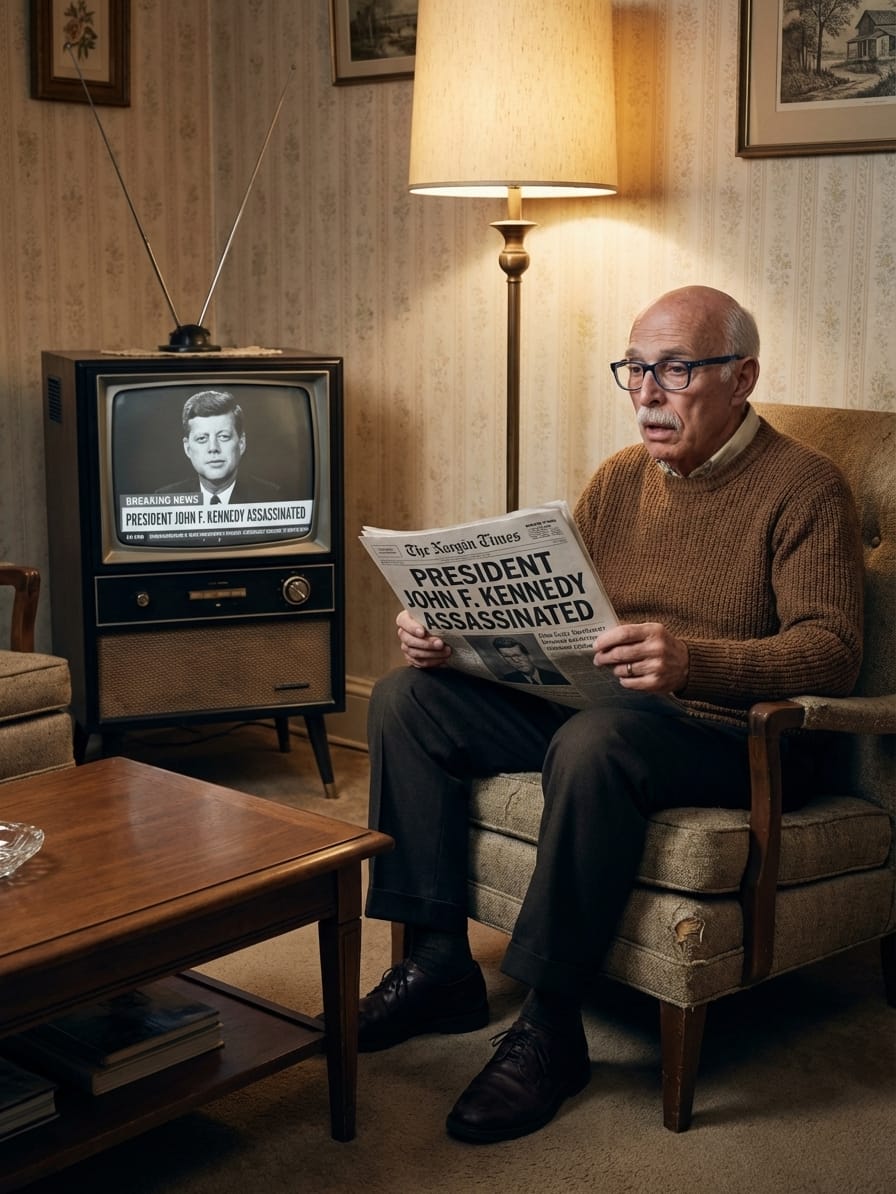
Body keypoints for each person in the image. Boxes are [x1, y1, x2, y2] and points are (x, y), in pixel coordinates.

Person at [359, 285, 864, 1145]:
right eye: (635, 369)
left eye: (674, 369)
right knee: (409, 697)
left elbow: (832, 650)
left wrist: (694, 657)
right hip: (615, 703)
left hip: (732, 734)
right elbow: (568, 608)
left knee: (594, 740)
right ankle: (441, 964)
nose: (646, 394)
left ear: (742, 377)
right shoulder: (622, 478)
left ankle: (552, 1028)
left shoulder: (806, 488)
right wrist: (454, 634)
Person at [157, 389, 280, 504]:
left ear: (241, 444)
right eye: (201, 439)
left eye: (224, 437)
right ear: (187, 448)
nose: (213, 448)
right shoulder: (164, 500)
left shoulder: (273, 497)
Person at [492, 637, 568, 686]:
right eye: (508, 657)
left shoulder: (558, 678)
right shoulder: (507, 680)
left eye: (518, 655)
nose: (515, 660)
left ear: (529, 656)